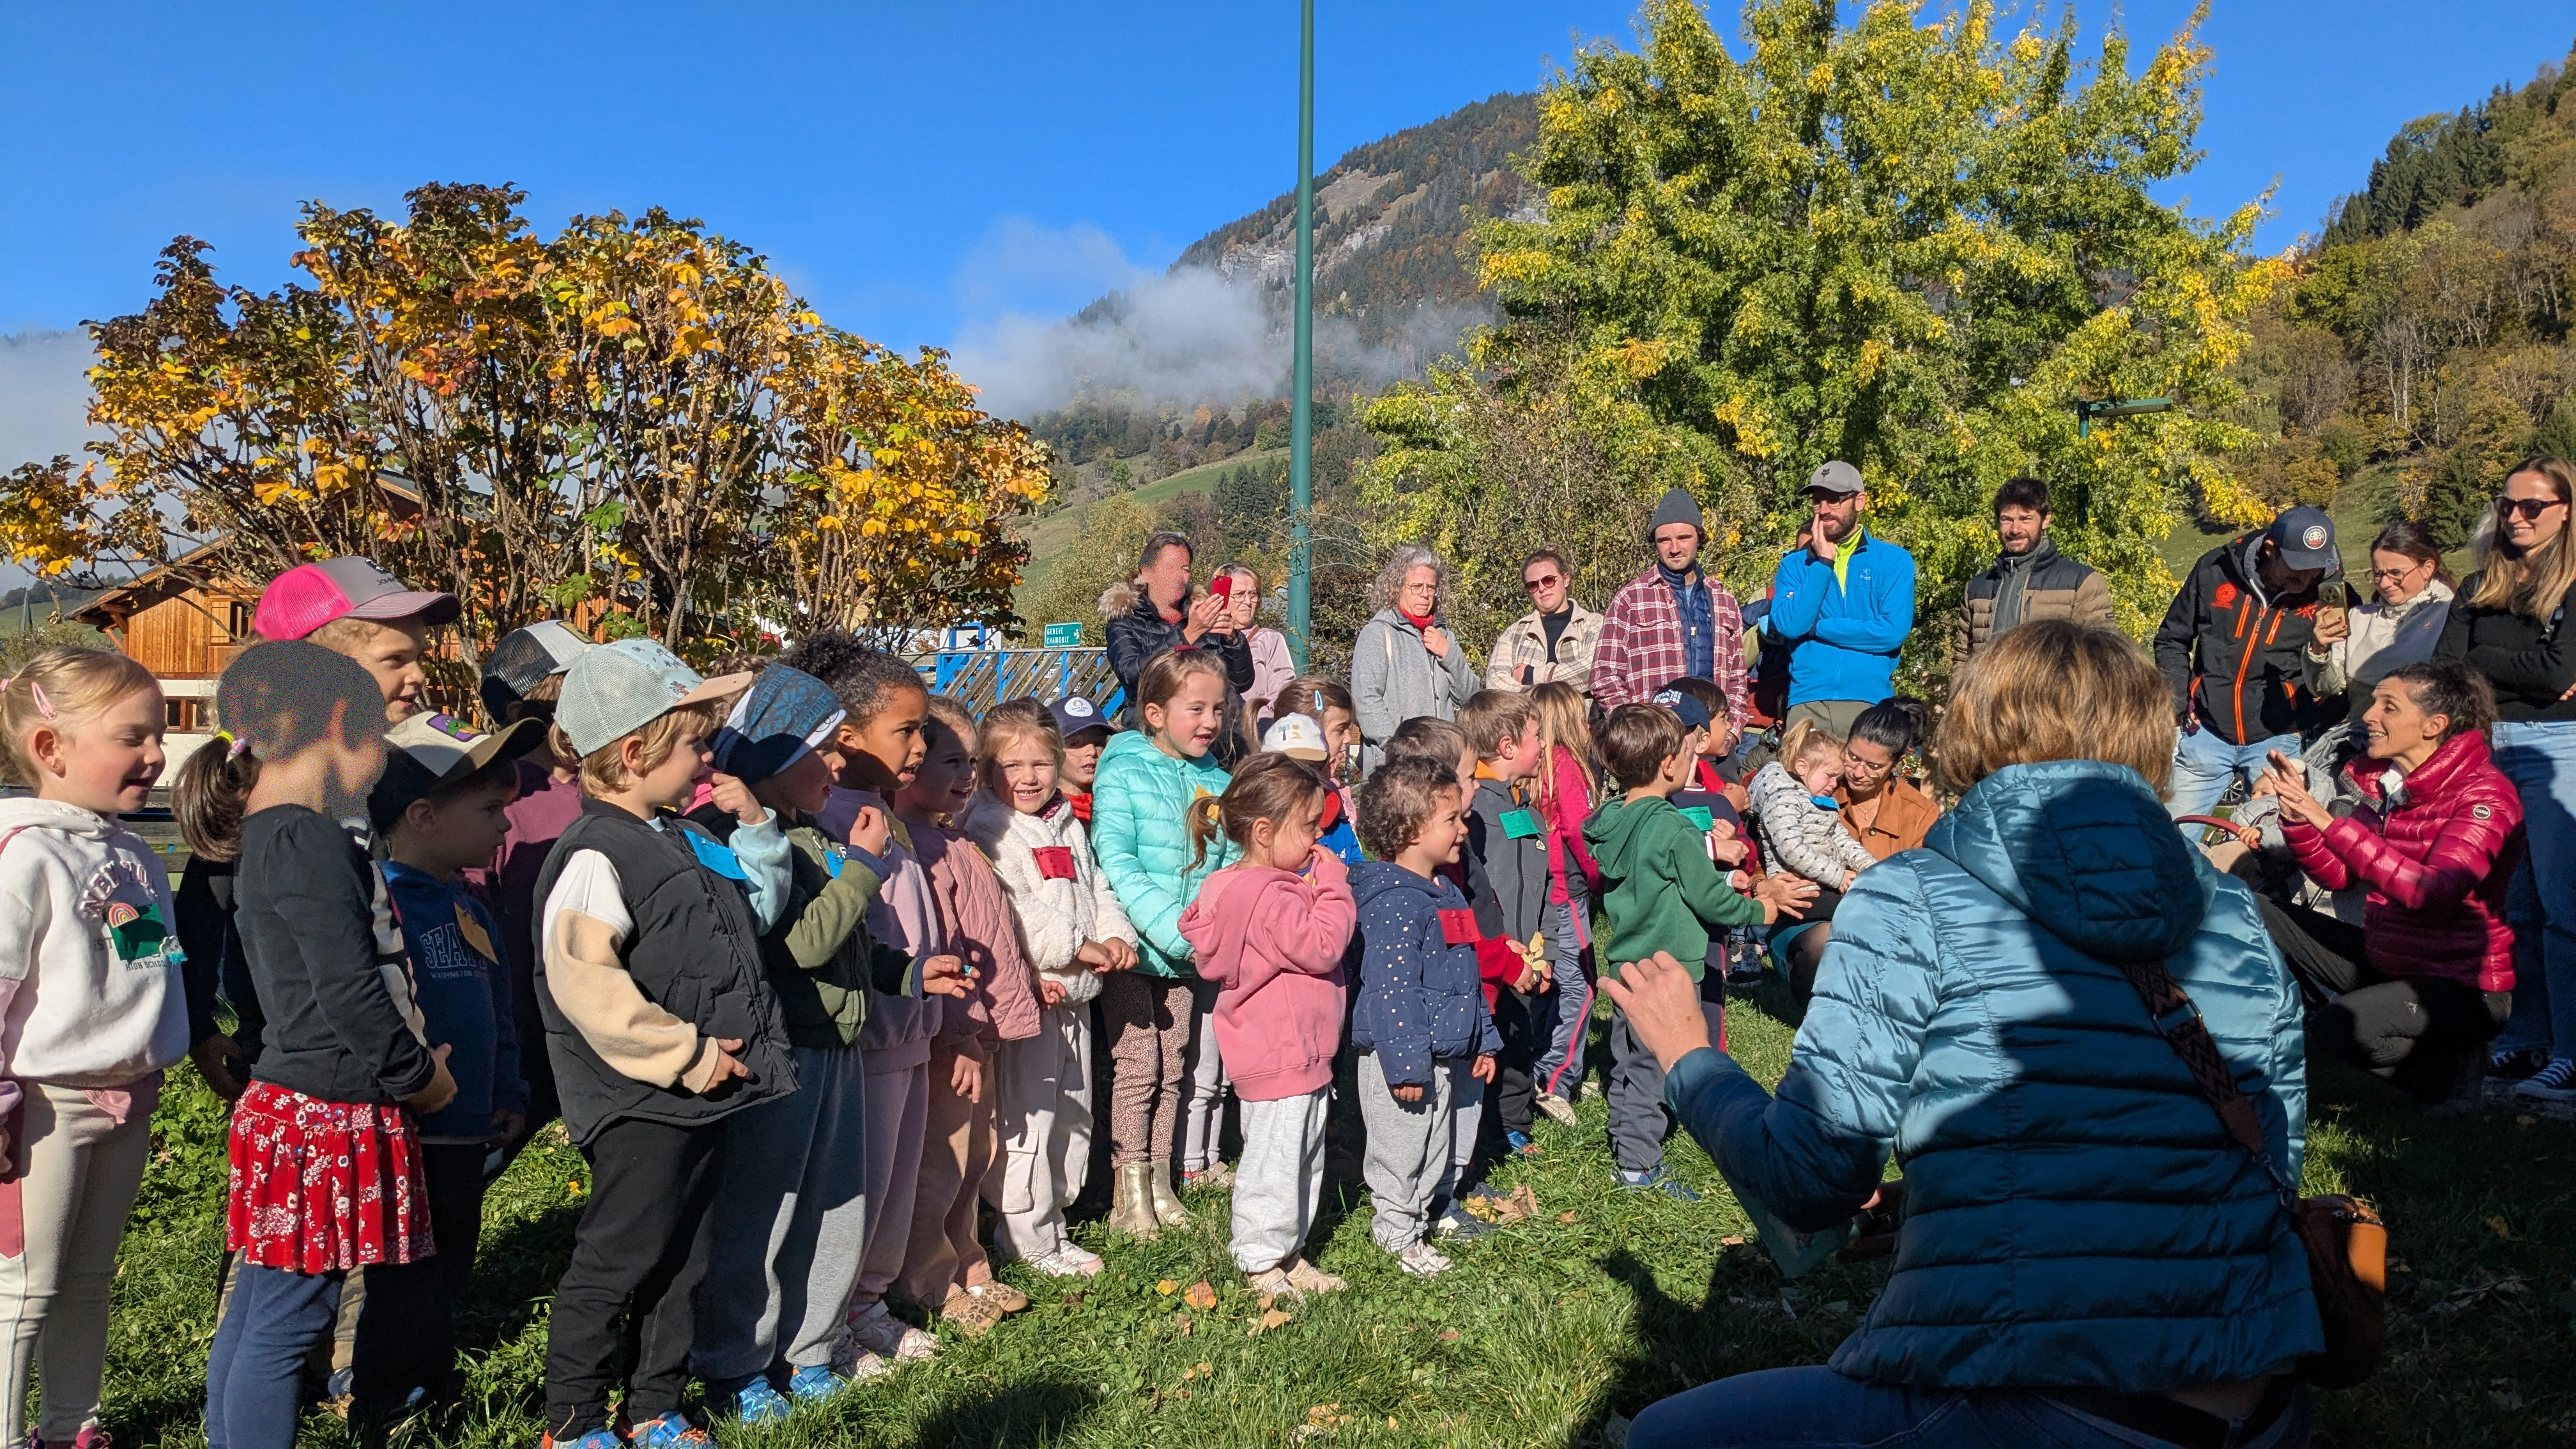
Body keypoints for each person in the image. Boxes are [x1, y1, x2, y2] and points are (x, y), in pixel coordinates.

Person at [1609, 619, 2320, 1449]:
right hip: (2259, 1401)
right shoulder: (2228, 908)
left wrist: (1691, 1057)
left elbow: (1809, 1178)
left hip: (2052, 1402)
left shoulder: (1912, 896)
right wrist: (1947, 1197)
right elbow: (2261, 1156)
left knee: (1669, 1436)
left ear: (1976, 730)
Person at [528, 640, 797, 1449]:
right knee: (618, 1260)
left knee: (686, 1256)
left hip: (703, 1093)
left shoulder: (676, 835)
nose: (707, 756)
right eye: (693, 743)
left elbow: (738, 923)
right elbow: (589, 985)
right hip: (643, 1098)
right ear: (637, 751)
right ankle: (573, 1422)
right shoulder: (593, 857)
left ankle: (653, 1406)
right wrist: (685, 1054)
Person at [199, 643, 458, 1449]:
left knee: (265, 1309)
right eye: (383, 734)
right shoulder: (305, 841)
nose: (385, 761)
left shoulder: (276, 837)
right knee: (288, 1318)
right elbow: (349, 991)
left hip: (303, 1101)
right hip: (327, 1110)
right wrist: (419, 1078)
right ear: (342, 724)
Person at [685, 664, 943, 1417]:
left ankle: (810, 1348)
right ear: (769, 756)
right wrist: (864, 868)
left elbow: (847, 944)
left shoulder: (809, 834)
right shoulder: (736, 838)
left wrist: (911, 973)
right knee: (768, 1209)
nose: (837, 764)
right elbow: (797, 947)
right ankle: (737, 1363)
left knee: (837, 1205)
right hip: (784, 1052)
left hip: (836, 1047)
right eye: (820, 750)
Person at [176, 558, 462, 1106]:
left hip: (411, 1061)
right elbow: (201, 919)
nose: (419, 676)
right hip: (317, 1081)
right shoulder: (265, 798)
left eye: (419, 656)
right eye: (393, 659)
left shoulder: (393, 774)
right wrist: (200, 1029)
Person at [0, 650, 188, 1449]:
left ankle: (72, 1426)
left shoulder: (130, 855)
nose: (156, 755)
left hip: (128, 1098)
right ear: (52, 749)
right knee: (25, 1287)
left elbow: (147, 967)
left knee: (86, 1281)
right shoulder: (27, 855)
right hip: (42, 1108)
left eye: (157, 736)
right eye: (133, 737)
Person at [349, 710, 540, 1430]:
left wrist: (511, 1091)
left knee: (450, 1266)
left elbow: (498, 1009)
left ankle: (430, 1381)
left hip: (467, 1132)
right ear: (423, 815)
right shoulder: (375, 902)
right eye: (490, 810)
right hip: (408, 1130)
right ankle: (382, 1403)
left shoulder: (471, 908)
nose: (503, 825)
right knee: (403, 1277)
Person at [776, 635, 959, 1373]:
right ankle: (833, 1324)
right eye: (907, 730)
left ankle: (867, 1306)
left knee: (891, 1190)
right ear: (846, 739)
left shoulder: (888, 814)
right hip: (863, 1041)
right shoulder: (830, 817)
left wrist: (919, 978)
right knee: (855, 1194)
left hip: (908, 1031)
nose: (921, 745)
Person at [2262, 660, 2521, 1110]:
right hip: (2391, 959)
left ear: (2433, 726)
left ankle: (2445, 1083)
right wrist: (2297, 819)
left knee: (2335, 1029)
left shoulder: (2486, 796)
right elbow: (2340, 876)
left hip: (2463, 987)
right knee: (2254, 910)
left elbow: (2434, 894)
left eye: (2389, 706)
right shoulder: (2391, 786)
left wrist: (2328, 820)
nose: (2369, 715)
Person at [1584, 703, 1809, 1201]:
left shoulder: (1611, 821)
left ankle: (1628, 1142)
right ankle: (1639, 1166)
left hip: (1627, 963)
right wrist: (1761, 913)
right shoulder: (1672, 827)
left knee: (1629, 1061)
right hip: (1670, 968)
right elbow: (1708, 897)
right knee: (1655, 1066)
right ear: (1669, 766)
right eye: (1689, 752)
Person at [961, 700, 1138, 1279]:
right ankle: (1023, 1232)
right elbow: (1015, 909)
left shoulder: (1066, 822)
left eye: (1041, 763)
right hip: (1033, 998)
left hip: (1077, 997)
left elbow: (1097, 886)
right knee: (1028, 1117)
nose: (1031, 778)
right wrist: (1074, 947)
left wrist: (1114, 935)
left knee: (1072, 1109)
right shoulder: (989, 828)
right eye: (1014, 766)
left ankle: (1054, 1221)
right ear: (988, 770)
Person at [1179, 755, 1359, 1300]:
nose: (1315, 840)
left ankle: (1288, 1252)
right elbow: (1324, 944)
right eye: (1307, 826)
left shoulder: (1238, 887)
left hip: (1287, 1052)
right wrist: (1330, 884)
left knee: (1299, 1157)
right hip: (1284, 1051)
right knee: (1277, 1162)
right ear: (1263, 831)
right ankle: (1260, 1259)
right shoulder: (1271, 895)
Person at [898, 699, 1045, 1336]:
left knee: (976, 1153)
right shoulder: (919, 852)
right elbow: (938, 950)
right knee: (944, 1159)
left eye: (972, 763)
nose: (966, 775)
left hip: (982, 1031)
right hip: (953, 1035)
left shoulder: (957, 840)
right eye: (951, 761)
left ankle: (970, 1264)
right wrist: (957, 1030)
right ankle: (932, 1282)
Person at [2436, 458, 2576, 1096]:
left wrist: (2484, 659)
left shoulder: (2573, 586)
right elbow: (2447, 672)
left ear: (2566, 511)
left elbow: (2554, 676)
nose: (2515, 517)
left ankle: (2569, 1049)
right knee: (2512, 906)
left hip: (2560, 747)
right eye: (2507, 505)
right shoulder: (2475, 586)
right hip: (2492, 747)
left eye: (2533, 507)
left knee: (2563, 907)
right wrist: (2523, 666)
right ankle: (2524, 1040)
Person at [1091, 648, 1240, 1236]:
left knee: (1173, 1064)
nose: (1209, 721)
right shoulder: (1123, 771)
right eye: (1194, 708)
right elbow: (1118, 859)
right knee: (1137, 1065)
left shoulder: (1218, 783)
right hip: (1136, 948)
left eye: (1218, 709)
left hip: (1187, 952)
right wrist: (1171, 927)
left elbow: (1225, 865)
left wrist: (1205, 932)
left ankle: (1161, 1183)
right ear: (1154, 713)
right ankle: (1129, 1189)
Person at [1347, 756, 1499, 1278]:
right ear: (1411, 831)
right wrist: (1407, 1064)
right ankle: (1397, 1233)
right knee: (1403, 1147)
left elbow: (1468, 973)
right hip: (1406, 1056)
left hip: (1449, 1050)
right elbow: (1392, 990)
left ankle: (1425, 1217)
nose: (1463, 829)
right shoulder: (1393, 903)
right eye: (1451, 820)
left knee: (1439, 1141)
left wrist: (1485, 1039)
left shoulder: (1445, 892)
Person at [475, 620, 595, 1148]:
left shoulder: (608, 788)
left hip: (592, 1038)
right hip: (522, 1039)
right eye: (581, 692)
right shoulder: (502, 800)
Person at [2154, 504, 2342, 819]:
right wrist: (2177, 703)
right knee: (2172, 835)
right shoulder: (2215, 570)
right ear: (2271, 550)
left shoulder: (2332, 596)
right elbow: (2172, 638)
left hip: (2279, 740)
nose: (2309, 577)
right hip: (2206, 733)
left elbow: (2337, 678)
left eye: (2316, 567)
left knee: (2275, 847)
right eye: (2298, 566)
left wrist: (2305, 722)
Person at [1455, 690, 1555, 1183]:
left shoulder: (1530, 811)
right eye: (1537, 737)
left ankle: (1513, 1124)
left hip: (1529, 957)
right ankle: (1478, 1132)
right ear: (1507, 744)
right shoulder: (1473, 813)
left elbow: (1549, 885)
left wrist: (1548, 947)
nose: (1544, 747)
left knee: (1521, 1040)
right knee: (1486, 1044)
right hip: (1491, 959)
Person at [1765, 460, 1917, 740]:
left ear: (1859, 502)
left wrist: (1819, 628)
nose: (1824, 510)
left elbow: (1892, 633)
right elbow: (1789, 626)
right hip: (1807, 702)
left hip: (1870, 703)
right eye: (1817, 501)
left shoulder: (1894, 561)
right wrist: (1823, 563)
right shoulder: (1795, 565)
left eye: (1834, 500)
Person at [1745, 719, 1879, 1004]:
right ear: (1803, 767)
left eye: (1837, 778)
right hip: (1801, 889)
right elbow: (1792, 850)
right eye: (1829, 776)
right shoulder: (1783, 800)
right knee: (1863, 908)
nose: (1834, 785)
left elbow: (1841, 841)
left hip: (1822, 885)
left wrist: (1873, 870)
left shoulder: (1818, 801)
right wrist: (1839, 876)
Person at [1590, 489, 1749, 725]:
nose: (1674, 548)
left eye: (1683, 538)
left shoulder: (1724, 600)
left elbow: (1737, 678)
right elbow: (1605, 675)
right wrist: (1635, 728)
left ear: (1699, 538)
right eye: (1664, 540)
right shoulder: (1630, 599)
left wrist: (1731, 732)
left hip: (1713, 742)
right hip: (1654, 740)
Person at [1101, 532, 1255, 759]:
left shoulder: (1202, 613)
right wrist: (1188, 634)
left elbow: (1242, 682)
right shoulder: (1125, 620)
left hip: (1219, 742)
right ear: (1146, 572)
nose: (1178, 577)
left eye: (1185, 569)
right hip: (1154, 739)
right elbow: (1130, 672)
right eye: (1170, 567)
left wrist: (1233, 640)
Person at [1526, 682, 1602, 1122]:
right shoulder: (1568, 766)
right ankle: (1555, 1078)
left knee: (1547, 982)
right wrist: (1599, 879)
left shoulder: (1534, 768)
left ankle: (1542, 1064)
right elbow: (1579, 831)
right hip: (1566, 889)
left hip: (1537, 890)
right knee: (1581, 984)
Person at [2307, 520, 2454, 730]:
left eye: (2396, 573)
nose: (2385, 584)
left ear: (2427, 569)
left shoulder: (2450, 616)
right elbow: (2326, 689)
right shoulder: (2359, 618)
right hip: (2363, 739)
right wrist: (2319, 651)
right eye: (2378, 574)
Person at [1953, 475, 2112, 668]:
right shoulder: (1977, 588)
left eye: (2026, 519)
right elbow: (1962, 660)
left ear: (2045, 520)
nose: (2015, 529)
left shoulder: (2082, 582)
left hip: (2050, 698)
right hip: (1987, 698)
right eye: (2007, 520)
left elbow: (2104, 659)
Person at [1351, 544, 1481, 772]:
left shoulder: (1445, 636)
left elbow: (1471, 697)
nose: (1425, 594)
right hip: (1395, 769)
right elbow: (1366, 700)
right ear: (1397, 588)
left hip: (1443, 765)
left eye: (1431, 587)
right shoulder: (1378, 634)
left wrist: (1449, 655)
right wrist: (1400, 748)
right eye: (1417, 586)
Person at [1485, 548, 1604, 697]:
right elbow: (1495, 681)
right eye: (1533, 585)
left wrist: (1532, 675)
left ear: (1566, 579)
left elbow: (1594, 669)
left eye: (1549, 580)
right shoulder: (1515, 633)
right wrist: (1536, 696)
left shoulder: (1593, 624)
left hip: (1582, 718)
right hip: (1530, 718)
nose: (1541, 588)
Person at [1834, 698, 1938, 861]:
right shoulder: (1820, 790)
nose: (1858, 773)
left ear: (1897, 761)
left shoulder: (1920, 815)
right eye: (1853, 757)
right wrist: (1778, 884)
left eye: (1874, 766)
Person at [1219, 562, 1297, 724]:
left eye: (1253, 594)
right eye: (1240, 594)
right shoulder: (1206, 637)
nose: (1248, 602)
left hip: (1256, 733)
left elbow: (1282, 695)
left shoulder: (1271, 640)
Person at [1048, 695, 1112, 820]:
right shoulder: (1047, 811)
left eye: (1099, 742)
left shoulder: (1115, 800)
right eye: (1074, 743)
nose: (1092, 751)